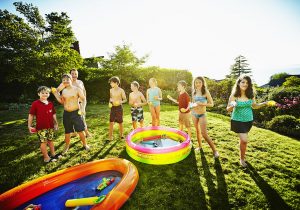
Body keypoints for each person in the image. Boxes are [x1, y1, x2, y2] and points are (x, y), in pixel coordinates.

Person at [226, 75, 269, 167]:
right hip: (237, 120)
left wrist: (264, 103)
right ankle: (242, 159)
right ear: (238, 83)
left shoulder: (250, 95)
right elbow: (228, 109)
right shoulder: (234, 95)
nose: (245, 84)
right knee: (244, 140)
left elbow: (254, 106)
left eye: (247, 83)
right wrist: (232, 105)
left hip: (248, 120)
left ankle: (242, 156)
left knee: (243, 140)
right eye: (243, 82)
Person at [52, 73, 90, 154]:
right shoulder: (64, 91)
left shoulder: (77, 89)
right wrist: (56, 94)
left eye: (67, 80)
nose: (65, 81)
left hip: (76, 113)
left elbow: (83, 99)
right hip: (67, 114)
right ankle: (67, 146)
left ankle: (85, 144)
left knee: (80, 130)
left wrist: (83, 108)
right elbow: (62, 102)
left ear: (71, 80)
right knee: (67, 131)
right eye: (63, 80)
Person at [28, 86, 60, 163]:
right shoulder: (35, 103)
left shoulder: (50, 104)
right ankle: (46, 158)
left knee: (51, 140)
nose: (45, 94)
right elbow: (31, 115)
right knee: (43, 142)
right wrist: (29, 126)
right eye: (43, 93)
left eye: (47, 93)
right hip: (41, 128)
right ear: (39, 94)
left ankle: (53, 154)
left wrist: (56, 123)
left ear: (49, 94)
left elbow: (53, 114)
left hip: (50, 127)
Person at [57, 69, 92, 138]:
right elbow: (57, 90)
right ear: (70, 75)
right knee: (72, 119)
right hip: (71, 103)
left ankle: (86, 132)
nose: (74, 75)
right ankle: (74, 133)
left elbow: (84, 90)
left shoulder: (80, 82)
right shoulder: (67, 82)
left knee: (82, 118)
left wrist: (84, 99)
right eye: (72, 74)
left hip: (80, 102)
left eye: (76, 74)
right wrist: (61, 98)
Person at [191, 76, 219, 158]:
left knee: (204, 133)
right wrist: (192, 106)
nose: (198, 84)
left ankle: (215, 151)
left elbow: (212, 104)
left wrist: (202, 104)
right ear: (194, 83)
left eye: (199, 82)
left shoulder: (205, 92)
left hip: (202, 114)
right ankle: (199, 146)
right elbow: (193, 103)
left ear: (203, 83)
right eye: (196, 82)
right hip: (194, 114)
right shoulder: (194, 92)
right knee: (197, 131)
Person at [108, 76, 127, 141]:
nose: (110, 84)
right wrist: (110, 102)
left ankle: (121, 135)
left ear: (116, 83)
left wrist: (120, 101)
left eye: (111, 83)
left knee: (120, 122)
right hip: (113, 107)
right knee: (111, 122)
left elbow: (125, 99)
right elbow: (110, 98)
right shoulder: (111, 90)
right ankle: (110, 136)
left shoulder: (121, 90)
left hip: (119, 108)